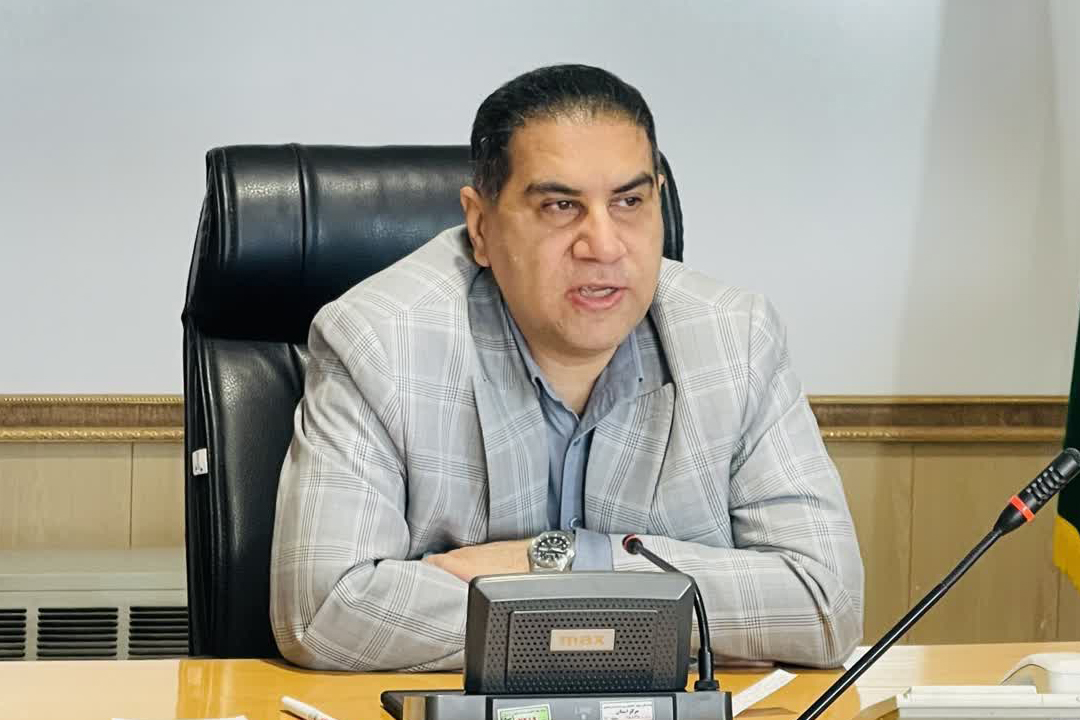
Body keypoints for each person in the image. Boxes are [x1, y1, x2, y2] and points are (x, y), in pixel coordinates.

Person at [270, 64, 864, 672]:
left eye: (629, 202)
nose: (603, 246)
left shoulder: (734, 339)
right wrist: (650, 605)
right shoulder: (381, 340)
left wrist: (570, 561)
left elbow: (827, 604)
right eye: (560, 206)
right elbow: (325, 611)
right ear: (481, 226)